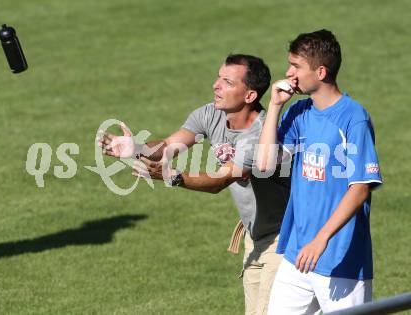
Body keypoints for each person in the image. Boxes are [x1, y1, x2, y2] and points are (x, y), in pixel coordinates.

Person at [99, 54, 290, 314]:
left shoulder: (259, 134)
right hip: (254, 236)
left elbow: (220, 181)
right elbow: (167, 146)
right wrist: (137, 148)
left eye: (227, 81)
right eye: (218, 77)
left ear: (249, 96)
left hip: (283, 241)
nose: (216, 85)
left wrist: (174, 177)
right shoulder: (210, 114)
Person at [257, 29, 383, 314]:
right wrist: (276, 106)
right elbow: (265, 164)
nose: (289, 73)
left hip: (340, 260)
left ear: (321, 71)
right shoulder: (299, 112)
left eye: (296, 66)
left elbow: (360, 187)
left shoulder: (354, 118)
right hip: (297, 254)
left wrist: (321, 239)